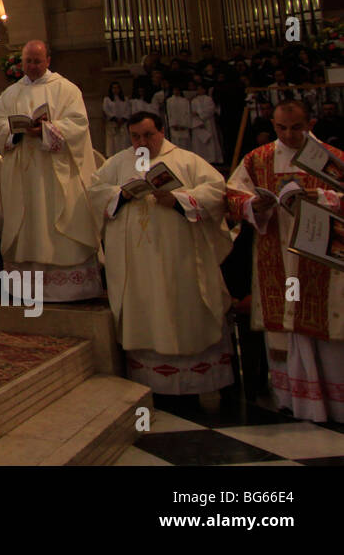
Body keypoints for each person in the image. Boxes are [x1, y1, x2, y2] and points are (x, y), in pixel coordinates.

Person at [89, 112, 234, 403]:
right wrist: (122, 194)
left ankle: (202, 386)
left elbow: (216, 191)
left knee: (183, 308)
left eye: (148, 135)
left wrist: (180, 200)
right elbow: (95, 193)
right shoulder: (118, 163)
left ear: (162, 132)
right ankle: (150, 383)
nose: (142, 142)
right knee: (146, 308)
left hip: (179, 262)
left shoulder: (187, 160)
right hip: (138, 265)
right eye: (135, 136)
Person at [226, 100, 344, 422]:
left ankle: (334, 403)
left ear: (311, 123)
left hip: (322, 261)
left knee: (326, 330)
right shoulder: (258, 158)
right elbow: (232, 196)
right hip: (278, 259)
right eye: (281, 128)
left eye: (296, 127)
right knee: (291, 326)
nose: (288, 134)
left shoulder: (330, 160)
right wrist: (256, 204)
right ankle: (295, 400)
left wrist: (321, 198)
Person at [0, 40, 102, 300]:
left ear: (48, 60)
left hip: (54, 171)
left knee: (55, 219)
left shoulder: (66, 90)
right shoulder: (11, 94)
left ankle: (69, 289)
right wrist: (16, 130)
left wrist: (47, 130)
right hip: (24, 173)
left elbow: (78, 125)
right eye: (28, 61)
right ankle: (26, 287)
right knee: (28, 221)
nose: (32, 65)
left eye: (37, 61)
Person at [189, 81, 222, 164]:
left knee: (209, 141)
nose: (199, 91)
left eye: (201, 89)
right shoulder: (194, 100)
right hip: (197, 123)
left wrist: (200, 113)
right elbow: (192, 111)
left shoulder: (208, 99)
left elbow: (210, 110)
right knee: (198, 142)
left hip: (208, 122)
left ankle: (212, 158)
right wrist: (197, 115)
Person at [102, 81, 130, 155]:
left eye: (117, 88)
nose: (115, 89)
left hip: (123, 124)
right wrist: (114, 118)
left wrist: (122, 119)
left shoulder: (125, 99)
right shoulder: (107, 99)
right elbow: (106, 109)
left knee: (123, 143)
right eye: (113, 88)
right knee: (112, 144)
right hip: (112, 124)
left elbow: (128, 110)